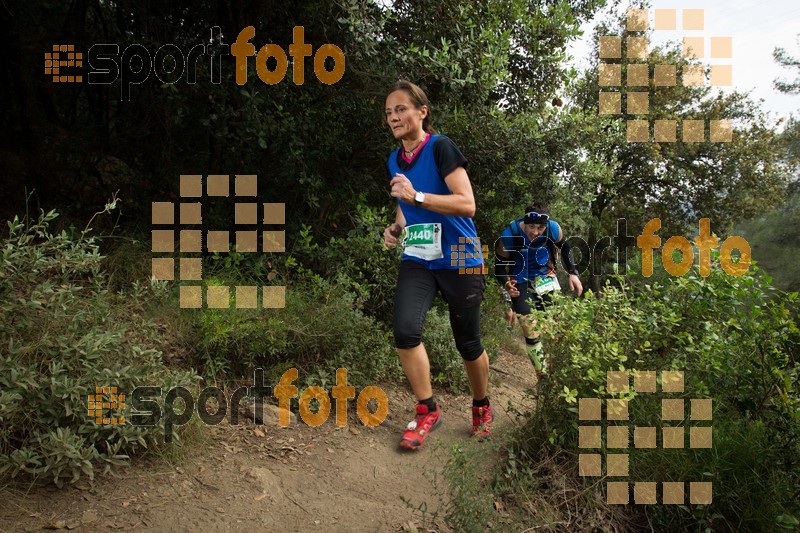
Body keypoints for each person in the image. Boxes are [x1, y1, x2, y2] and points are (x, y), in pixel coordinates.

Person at [382, 80, 492, 450]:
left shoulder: (441, 147)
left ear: (421, 112)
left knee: (468, 342)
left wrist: (421, 196)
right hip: (420, 256)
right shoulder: (395, 159)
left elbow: (467, 204)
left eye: (401, 109)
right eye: (389, 112)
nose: (394, 117)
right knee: (405, 329)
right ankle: (428, 409)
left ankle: (481, 405)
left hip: (461, 254)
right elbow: (404, 199)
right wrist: (398, 225)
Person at [494, 206, 583, 379]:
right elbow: (498, 268)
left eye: (540, 228)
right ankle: (543, 377)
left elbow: (565, 247)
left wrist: (573, 272)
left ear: (546, 226)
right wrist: (506, 284)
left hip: (545, 277)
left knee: (558, 325)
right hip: (520, 280)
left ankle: (564, 370)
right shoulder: (509, 236)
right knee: (530, 328)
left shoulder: (554, 229)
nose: (535, 232)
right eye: (532, 227)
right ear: (524, 223)